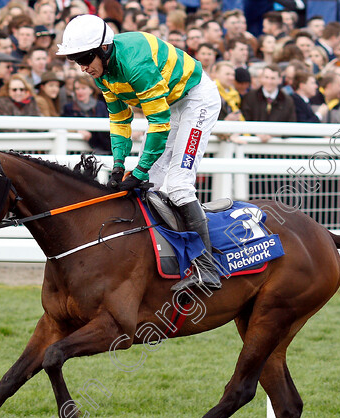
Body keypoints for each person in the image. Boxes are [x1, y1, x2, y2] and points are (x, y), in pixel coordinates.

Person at [56, 14, 222, 291]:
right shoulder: (102, 72)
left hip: (196, 99)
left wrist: (141, 169)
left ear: (103, 49)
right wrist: (119, 165)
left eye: (84, 59)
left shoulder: (135, 64)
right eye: (76, 61)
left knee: (178, 185)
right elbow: (120, 120)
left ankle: (207, 269)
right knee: (151, 185)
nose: (82, 68)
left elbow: (158, 122)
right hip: (170, 104)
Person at [62, 74, 111, 155]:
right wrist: (76, 130)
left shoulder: (100, 105)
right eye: (77, 89)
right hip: (77, 151)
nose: (80, 92)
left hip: (104, 148)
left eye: (83, 88)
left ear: (91, 90)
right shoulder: (69, 107)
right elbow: (64, 125)